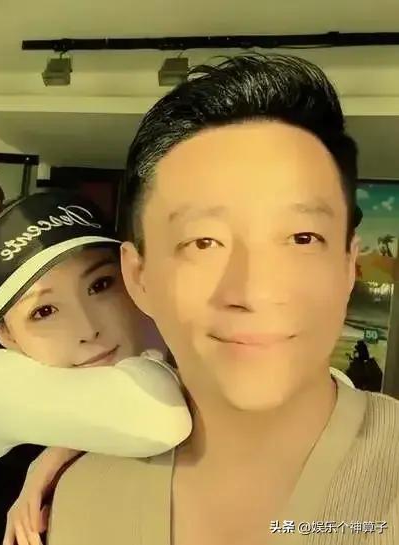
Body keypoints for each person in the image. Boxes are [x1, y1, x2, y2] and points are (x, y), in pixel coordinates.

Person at [48, 54, 399, 545]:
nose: (253, 292)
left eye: (302, 238)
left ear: (347, 266)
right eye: (203, 242)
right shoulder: (82, 499)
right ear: (139, 276)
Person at [0, 191, 192, 545]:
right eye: (44, 311)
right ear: (5, 334)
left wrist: (55, 454)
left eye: (101, 285)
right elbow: (159, 414)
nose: (87, 328)